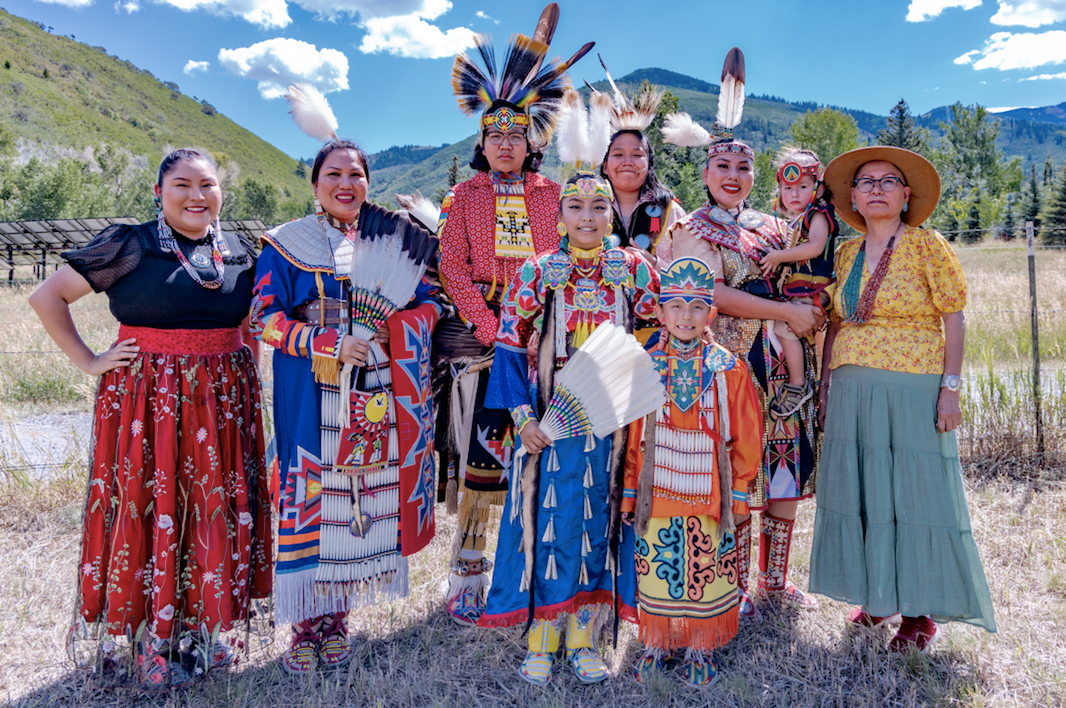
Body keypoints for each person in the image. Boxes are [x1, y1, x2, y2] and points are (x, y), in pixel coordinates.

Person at [30, 148, 272, 691]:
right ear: (160, 192)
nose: (196, 195)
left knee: (209, 511)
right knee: (153, 509)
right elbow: (47, 296)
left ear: (220, 192)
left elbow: (249, 323)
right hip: (148, 402)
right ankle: (151, 640)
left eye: (207, 184)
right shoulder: (130, 245)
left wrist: (245, 373)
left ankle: (200, 631)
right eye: (182, 184)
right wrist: (90, 360)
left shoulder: (238, 250)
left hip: (223, 404)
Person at [478, 89, 658, 686]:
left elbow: (661, 331)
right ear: (558, 216)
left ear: (611, 215)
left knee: (597, 517)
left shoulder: (632, 268)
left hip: (611, 421)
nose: (587, 216)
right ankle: (542, 633)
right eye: (575, 206)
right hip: (547, 421)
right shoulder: (538, 270)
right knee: (545, 515)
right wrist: (524, 418)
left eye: (598, 207)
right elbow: (509, 346)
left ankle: (584, 635)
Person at [251, 136, 440, 674]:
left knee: (359, 495)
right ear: (315, 184)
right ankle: (303, 626)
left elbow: (430, 304)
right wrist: (327, 342)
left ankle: (337, 621)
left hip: (373, 393)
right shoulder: (286, 243)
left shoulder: (391, 242)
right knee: (310, 495)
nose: (345, 184)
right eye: (333, 174)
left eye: (355, 174)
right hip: (310, 391)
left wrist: (393, 330)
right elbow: (264, 319)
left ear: (368, 183)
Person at [808, 146, 996, 651]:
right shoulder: (845, 253)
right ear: (852, 197)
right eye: (866, 182)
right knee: (864, 492)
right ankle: (878, 599)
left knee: (913, 494)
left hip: (913, 385)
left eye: (888, 181)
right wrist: (825, 385)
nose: (876, 189)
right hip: (851, 386)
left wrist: (950, 388)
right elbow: (836, 323)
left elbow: (954, 316)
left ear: (906, 195)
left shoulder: (926, 245)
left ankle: (918, 613)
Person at [438, 28, 590, 625]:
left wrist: (544, 331)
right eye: (495, 135)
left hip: (548, 339)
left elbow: (573, 255)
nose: (506, 144)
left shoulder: (556, 196)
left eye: (516, 135)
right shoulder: (463, 196)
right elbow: (453, 268)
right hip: (485, 343)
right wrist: (490, 326)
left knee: (545, 454)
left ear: (533, 142)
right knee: (483, 456)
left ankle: (538, 567)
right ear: (482, 142)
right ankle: (469, 572)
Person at [664, 68, 823, 620]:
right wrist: (786, 312)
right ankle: (732, 584)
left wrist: (809, 312)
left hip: (783, 364)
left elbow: (807, 274)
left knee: (785, 462)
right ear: (706, 172)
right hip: (727, 365)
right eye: (723, 167)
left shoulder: (777, 227)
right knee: (736, 468)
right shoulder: (692, 229)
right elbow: (711, 293)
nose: (733, 176)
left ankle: (774, 581)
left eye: (743, 168)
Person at [621, 257, 762, 686]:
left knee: (708, 565)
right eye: (676, 306)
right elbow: (633, 434)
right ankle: (658, 641)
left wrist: (739, 492)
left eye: (697, 306)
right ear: (660, 312)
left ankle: (701, 645)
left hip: (711, 490)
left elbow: (746, 433)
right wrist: (631, 489)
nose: (686, 316)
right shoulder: (645, 365)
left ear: (711, 314)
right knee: (657, 566)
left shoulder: (728, 368)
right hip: (658, 486)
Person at [597, 74, 686, 344]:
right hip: (596, 331)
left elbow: (688, 275)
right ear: (604, 165)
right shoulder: (586, 208)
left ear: (649, 164)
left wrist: (654, 263)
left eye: (637, 155)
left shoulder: (671, 211)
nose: (628, 161)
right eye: (618, 154)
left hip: (658, 335)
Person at [758, 147, 838, 419]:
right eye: (787, 188)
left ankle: (797, 383)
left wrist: (778, 256)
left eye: (802, 187)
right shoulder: (793, 221)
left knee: (785, 326)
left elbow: (815, 246)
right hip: (801, 286)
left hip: (816, 286)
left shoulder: (818, 215)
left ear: (818, 189)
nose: (794, 193)